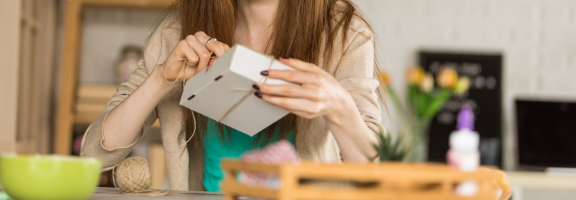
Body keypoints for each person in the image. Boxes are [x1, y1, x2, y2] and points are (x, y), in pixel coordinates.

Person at [80, 0, 384, 192]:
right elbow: (96, 155)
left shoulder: (344, 33)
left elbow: (370, 175)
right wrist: (161, 78)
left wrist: (338, 105)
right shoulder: (177, 30)